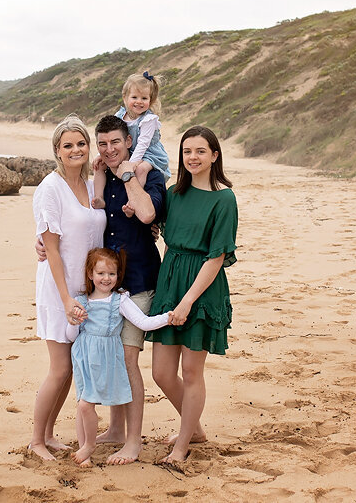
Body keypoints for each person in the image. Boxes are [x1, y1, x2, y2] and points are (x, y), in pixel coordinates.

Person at [36, 114, 166, 464]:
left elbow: (148, 216)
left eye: (116, 143)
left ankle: (131, 440)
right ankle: (103, 431)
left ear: (129, 142)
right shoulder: (95, 179)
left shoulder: (145, 174)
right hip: (92, 289)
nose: (109, 150)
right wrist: (43, 245)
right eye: (103, 143)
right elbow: (65, 229)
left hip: (133, 281)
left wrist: (128, 174)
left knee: (124, 360)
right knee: (87, 361)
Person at [146, 126, 238, 463]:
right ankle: (194, 427)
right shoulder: (174, 193)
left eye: (200, 151)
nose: (193, 158)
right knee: (161, 373)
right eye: (187, 151)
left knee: (191, 371)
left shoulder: (224, 199)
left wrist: (188, 301)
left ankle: (183, 446)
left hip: (202, 287)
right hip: (170, 280)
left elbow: (217, 258)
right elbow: (152, 222)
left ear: (214, 155)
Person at [29, 115, 106, 461]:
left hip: (86, 290)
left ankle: (48, 433)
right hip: (59, 290)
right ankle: (36, 440)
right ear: (57, 152)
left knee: (71, 368)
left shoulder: (92, 187)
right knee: (60, 368)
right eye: (68, 145)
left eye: (81, 143)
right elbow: (53, 250)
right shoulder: (50, 188)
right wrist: (64, 299)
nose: (75, 150)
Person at [65, 247, 171, 467]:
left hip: (106, 361)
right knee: (82, 405)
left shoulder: (119, 300)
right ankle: (85, 447)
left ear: (118, 276)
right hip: (85, 358)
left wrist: (168, 317)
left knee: (87, 404)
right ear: (90, 274)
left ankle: (89, 445)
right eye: (101, 273)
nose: (106, 278)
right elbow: (71, 335)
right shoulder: (81, 301)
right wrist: (74, 321)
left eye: (111, 274)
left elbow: (142, 322)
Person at [92, 71, 170, 209]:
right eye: (134, 97)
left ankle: (133, 202)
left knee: (140, 170)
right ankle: (99, 197)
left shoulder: (149, 119)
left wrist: (131, 164)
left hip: (150, 154)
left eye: (144, 98)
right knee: (99, 166)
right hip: (133, 150)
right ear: (125, 97)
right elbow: (109, 133)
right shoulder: (121, 114)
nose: (139, 102)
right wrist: (100, 156)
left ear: (150, 101)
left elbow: (143, 144)